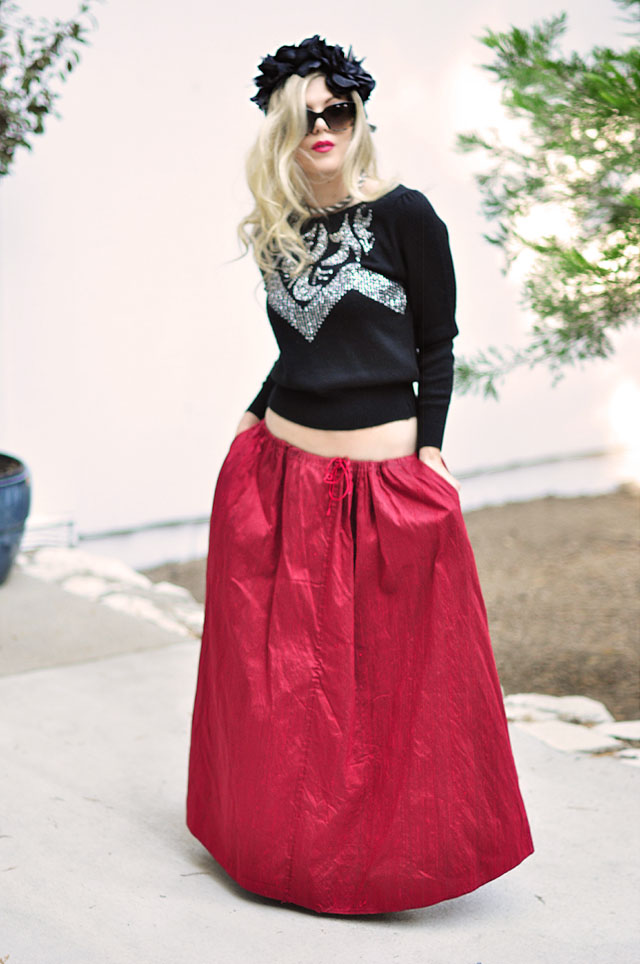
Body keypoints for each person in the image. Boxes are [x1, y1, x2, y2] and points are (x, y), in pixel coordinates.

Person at [186, 35, 534, 916]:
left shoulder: (406, 215)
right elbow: (302, 344)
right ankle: (276, 852)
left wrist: (434, 447)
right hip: (280, 478)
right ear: (280, 129)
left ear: (358, 114)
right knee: (286, 689)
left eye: (336, 110)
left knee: (386, 691)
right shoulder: (276, 228)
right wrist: (256, 410)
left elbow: (435, 343)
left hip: (378, 489)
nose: (323, 128)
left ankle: (374, 868)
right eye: (304, 116)